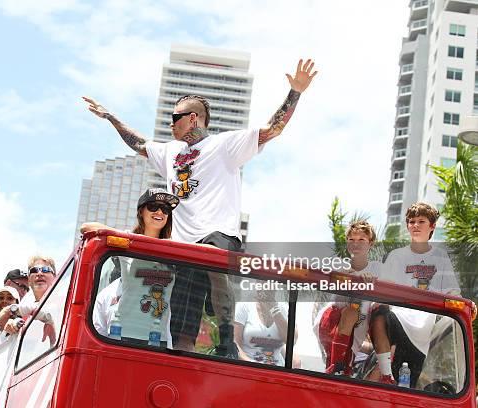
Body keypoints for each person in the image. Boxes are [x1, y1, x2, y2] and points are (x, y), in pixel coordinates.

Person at [82, 59, 317, 355]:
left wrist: (295, 92)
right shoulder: (170, 152)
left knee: (213, 260)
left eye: (174, 117)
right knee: (182, 317)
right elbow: (139, 143)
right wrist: (111, 117)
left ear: (193, 118)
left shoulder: (224, 146)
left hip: (218, 234)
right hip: (182, 245)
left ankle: (226, 339)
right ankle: (183, 352)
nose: (170, 124)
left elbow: (272, 129)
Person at [371, 202, 461, 387]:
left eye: (421, 221)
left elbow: (453, 292)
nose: (415, 225)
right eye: (411, 222)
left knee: (407, 385)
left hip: (422, 329)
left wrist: (466, 305)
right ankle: (386, 373)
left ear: (432, 226)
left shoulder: (441, 257)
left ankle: (392, 374)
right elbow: (384, 288)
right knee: (378, 314)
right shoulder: (396, 256)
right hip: (398, 316)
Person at [82, 188, 179, 347]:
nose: (160, 212)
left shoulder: (173, 248)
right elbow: (86, 227)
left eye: (166, 209)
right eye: (153, 206)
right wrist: (124, 237)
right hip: (122, 334)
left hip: (157, 338)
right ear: (141, 211)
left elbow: (205, 251)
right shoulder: (128, 242)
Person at [315, 220, 380, 376]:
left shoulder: (376, 269)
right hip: (332, 321)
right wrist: (353, 275)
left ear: (370, 243)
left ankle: (341, 368)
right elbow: (335, 274)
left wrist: (372, 279)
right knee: (351, 312)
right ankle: (336, 367)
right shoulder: (341, 264)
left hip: (357, 327)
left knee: (359, 315)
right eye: (351, 240)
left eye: (361, 240)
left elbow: (389, 285)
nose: (356, 244)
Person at [0, 255, 58, 342]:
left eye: (46, 270)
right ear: (29, 281)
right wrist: (12, 327)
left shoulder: (67, 301)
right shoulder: (22, 315)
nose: (39, 274)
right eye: (34, 270)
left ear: (55, 277)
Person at [234, 288, 290, 366]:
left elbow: (291, 341)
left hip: (277, 369)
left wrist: (274, 310)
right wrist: (252, 364)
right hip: (249, 366)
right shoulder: (243, 306)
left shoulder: (283, 308)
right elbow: (235, 344)